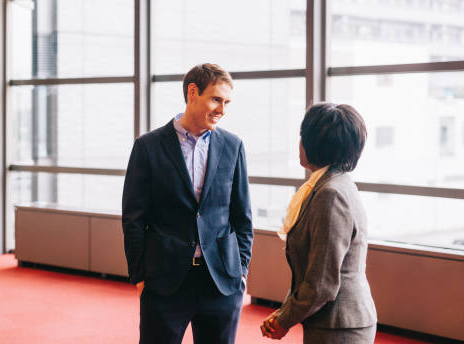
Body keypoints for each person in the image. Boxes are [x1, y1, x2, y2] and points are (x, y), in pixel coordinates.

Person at [122, 63, 253, 344]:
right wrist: (140, 276)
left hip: (220, 281)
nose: (222, 109)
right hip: (165, 281)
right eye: (216, 99)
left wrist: (241, 270)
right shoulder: (148, 146)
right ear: (193, 92)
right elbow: (133, 217)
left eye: (227, 102)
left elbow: (242, 216)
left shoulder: (233, 145)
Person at [261, 103, 377, 343]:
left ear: (315, 143)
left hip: (339, 325)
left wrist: (284, 321)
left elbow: (322, 282)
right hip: (336, 321)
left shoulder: (330, 194)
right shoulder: (332, 184)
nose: (299, 142)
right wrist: (285, 312)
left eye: (302, 136)